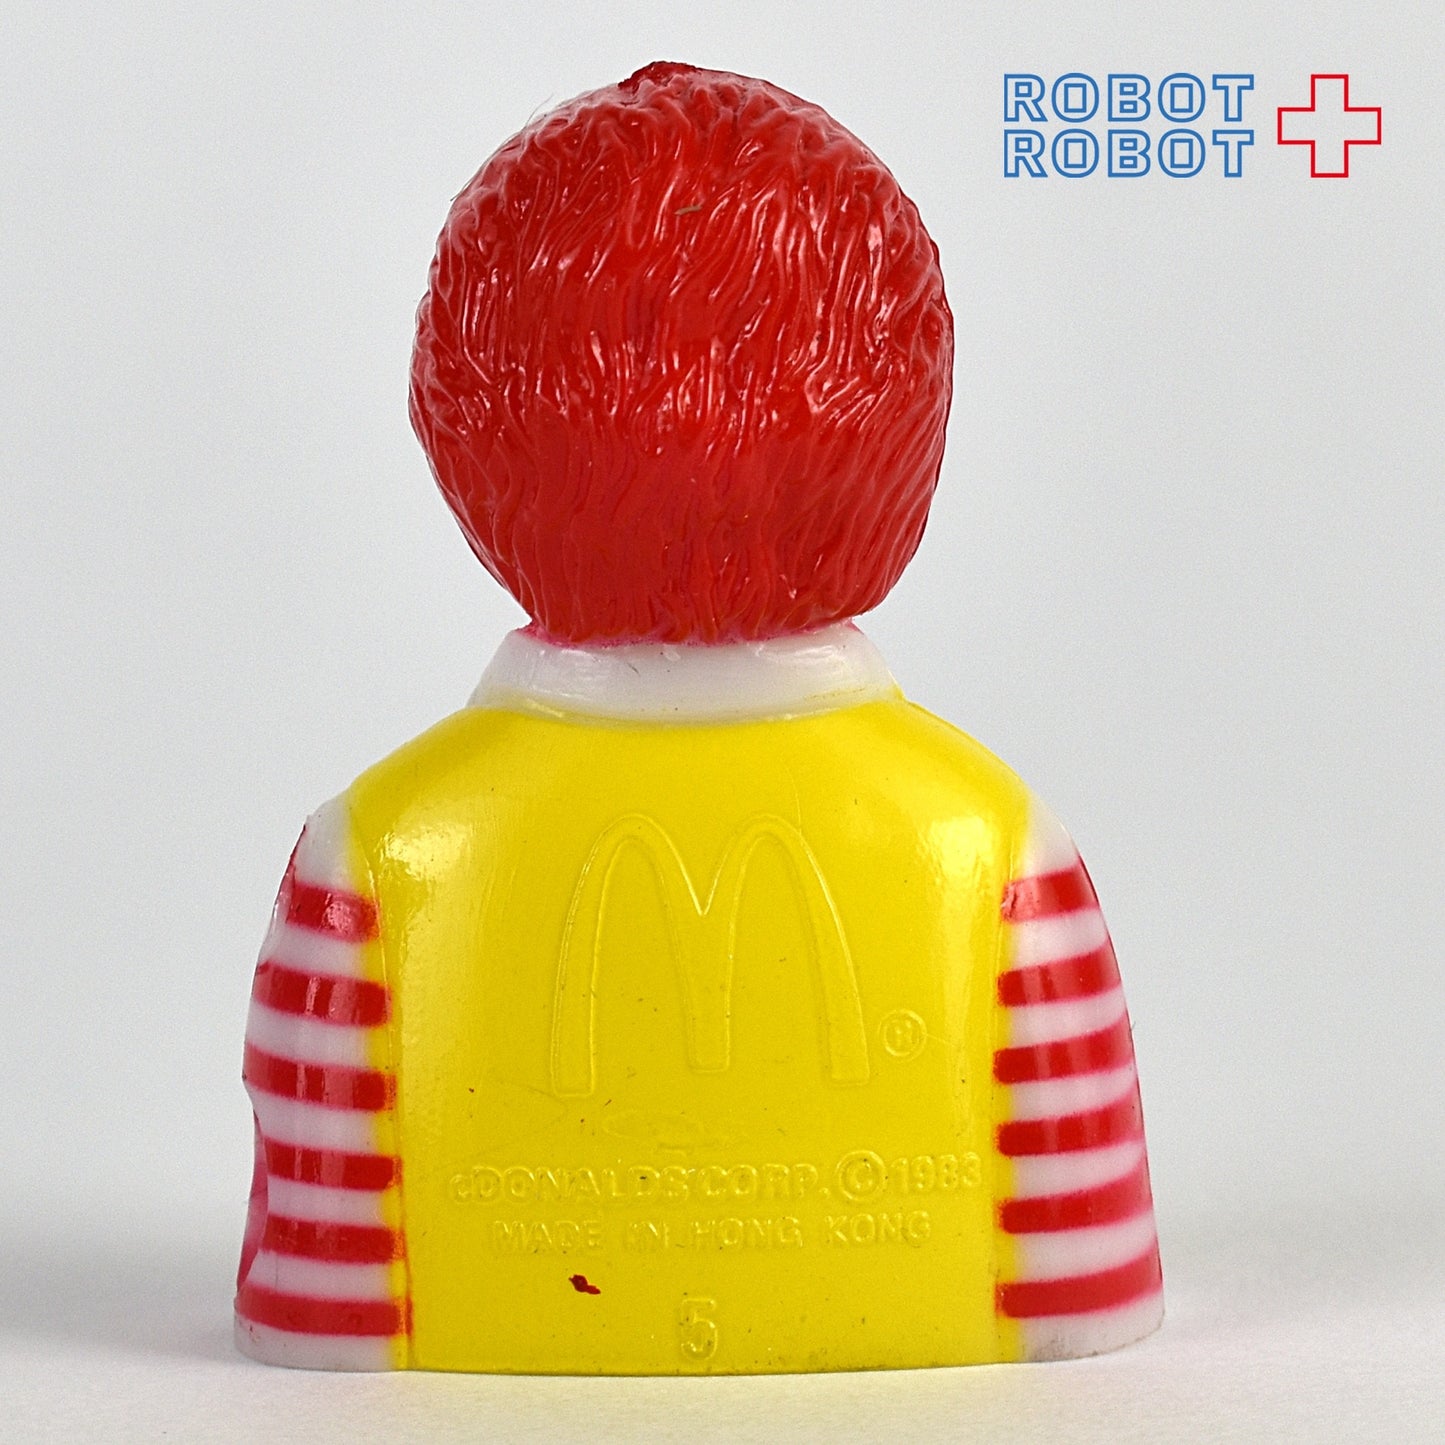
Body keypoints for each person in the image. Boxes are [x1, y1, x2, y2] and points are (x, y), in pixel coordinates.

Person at [235, 62, 1162, 1373]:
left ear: (464, 414)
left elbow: (322, 1293)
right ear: (904, 418)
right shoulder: (995, 843)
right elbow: (1078, 1275)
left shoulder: (376, 856)